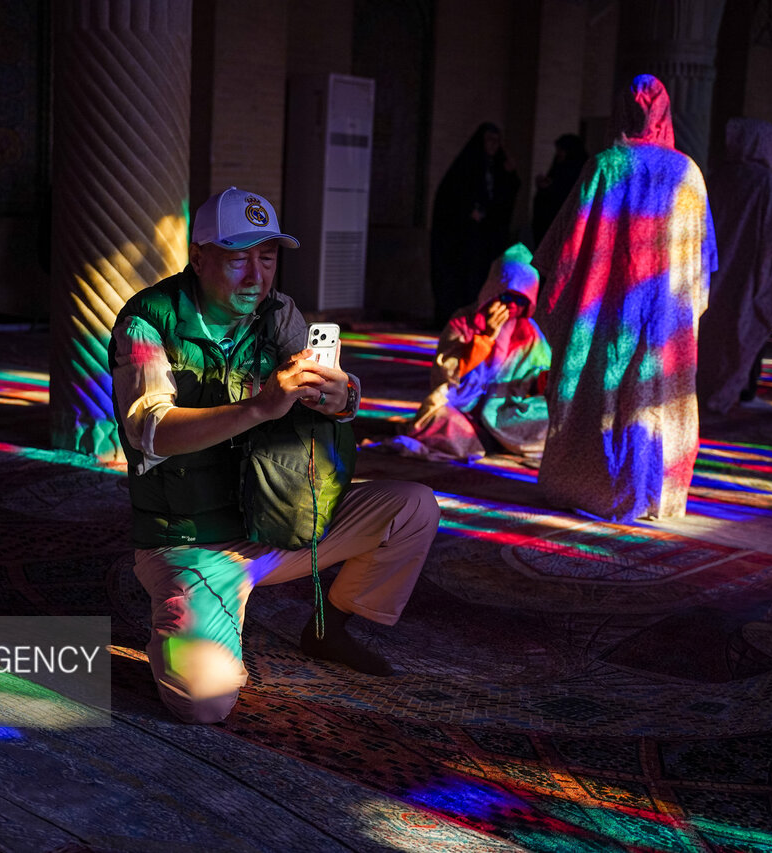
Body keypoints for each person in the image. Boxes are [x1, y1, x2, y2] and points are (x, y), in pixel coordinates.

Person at [109, 187, 441, 724]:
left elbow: (319, 385)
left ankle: (326, 629)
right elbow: (151, 430)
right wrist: (259, 407)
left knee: (413, 507)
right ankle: (181, 622)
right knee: (205, 702)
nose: (255, 276)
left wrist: (343, 396)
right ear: (198, 257)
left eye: (267, 258)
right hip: (192, 543)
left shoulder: (278, 312)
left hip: (275, 520)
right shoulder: (148, 321)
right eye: (239, 257)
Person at [531, 74, 717, 522]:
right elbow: (701, 261)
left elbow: (564, 251)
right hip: (665, 316)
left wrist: (558, 303)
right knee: (654, 396)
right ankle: (655, 492)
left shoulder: (607, 166)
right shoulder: (688, 173)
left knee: (602, 388)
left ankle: (591, 484)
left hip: (606, 311)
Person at [371, 242, 551, 461]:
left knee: (552, 416)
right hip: (464, 410)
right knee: (439, 418)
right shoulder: (464, 322)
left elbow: (538, 378)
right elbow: (446, 374)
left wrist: (544, 380)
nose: (512, 306)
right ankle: (488, 440)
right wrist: (486, 338)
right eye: (507, 297)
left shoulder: (530, 333)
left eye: (520, 300)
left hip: (503, 411)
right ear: (493, 291)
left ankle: (500, 438)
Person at [697, 118, 772, 413]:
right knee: (744, 330)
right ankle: (737, 392)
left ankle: (703, 390)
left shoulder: (716, 178)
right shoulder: (767, 185)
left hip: (711, 271)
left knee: (711, 331)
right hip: (748, 273)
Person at [429, 122, 521, 328]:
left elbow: (503, 201)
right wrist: (467, 211)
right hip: (464, 238)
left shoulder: (498, 167)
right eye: (489, 140)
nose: (493, 145)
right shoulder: (466, 166)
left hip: (486, 239)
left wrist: (509, 175)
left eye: (497, 141)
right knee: (464, 280)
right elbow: (450, 198)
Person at [531, 133, 588, 249]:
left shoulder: (578, 170)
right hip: (549, 225)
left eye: (561, 150)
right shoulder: (559, 167)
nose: (558, 154)